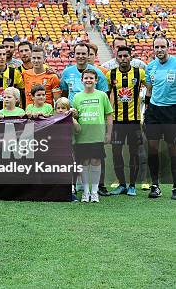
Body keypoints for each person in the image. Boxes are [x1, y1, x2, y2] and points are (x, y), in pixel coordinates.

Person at [61, 43, 110, 195]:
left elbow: (104, 99)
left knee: (96, 157)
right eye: (78, 53)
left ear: (89, 54)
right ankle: (74, 186)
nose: (81, 56)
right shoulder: (67, 72)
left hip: (93, 123)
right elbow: (63, 93)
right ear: (73, 54)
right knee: (76, 156)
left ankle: (98, 188)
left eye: (84, 53)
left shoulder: (98, 73)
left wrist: (106, 130)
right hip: (74, 121)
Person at [104, 45, 145, 196]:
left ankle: (132, 185)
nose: (123, 59)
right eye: (120, 56)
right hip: (117, 121)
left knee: (134, 152)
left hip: (134, 121)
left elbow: (151, 87)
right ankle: (122, 184)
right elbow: (107, 94)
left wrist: (146, 109)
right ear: (116, 58)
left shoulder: (139, 73)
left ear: (130, 57)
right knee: (116, 152)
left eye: (125, 56)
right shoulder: (111, 74)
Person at [73, 69, 113, 203]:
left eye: (91, 78)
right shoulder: (77, 97)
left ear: (96, 80)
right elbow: (75, 117)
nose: (88, 80)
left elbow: (108, 115)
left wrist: (108, 133)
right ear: (82, 80)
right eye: (86, 78)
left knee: (96, 161)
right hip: (82, 136)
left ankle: (94, 192)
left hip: (97, 135)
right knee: (84, 162)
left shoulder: (102, 95)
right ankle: (85, 191)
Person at [144, 36, 176, 199]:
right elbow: (149, 91)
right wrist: (147, 111)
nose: (159, 50)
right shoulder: (150, 67)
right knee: (153, 149)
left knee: (172, 148)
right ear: (153, 49)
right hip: (154, 112)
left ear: (168, 47)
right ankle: (155, 185)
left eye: (162, 46)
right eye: (157, 47)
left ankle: (175, 186)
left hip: (172, 111)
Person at [0, 44, 25, 111]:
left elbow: (22, 92)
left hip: (10, 113)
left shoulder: (15, 72)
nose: (2, 57)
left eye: (4, 54)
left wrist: (21, 108)